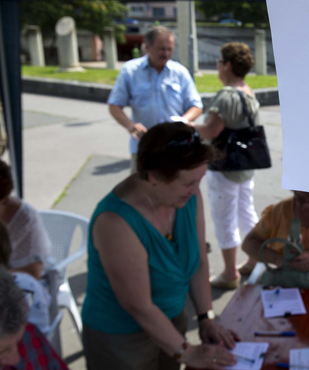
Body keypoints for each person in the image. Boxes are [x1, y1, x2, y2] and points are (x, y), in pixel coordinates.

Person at [81, 123, 238, 370]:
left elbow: (198, 261)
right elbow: (139, 305)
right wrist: (189, 354)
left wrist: (206, 317)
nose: (196, 191)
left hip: (172, 320)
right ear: (154, 177)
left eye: (200, 180)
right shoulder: (115, 222)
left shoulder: (184, 197)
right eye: (189, 183)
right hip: (122, 337)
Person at [191, 42, 260, 289]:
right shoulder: (248, 92)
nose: (218, 67)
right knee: (246, 211)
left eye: (220, 62)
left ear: (228, 64)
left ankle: (230, 273)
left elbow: (211, 130)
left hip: (224, 166)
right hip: (245, 166)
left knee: (224, 218)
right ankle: (253, 260)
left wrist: (187, 126)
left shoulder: (227, 95)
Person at [107, 26, 204, 172]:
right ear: (147, 47)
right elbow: (114, 105)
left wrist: (183, 121)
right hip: (145, 148)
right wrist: (130, 125)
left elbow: (196, 106)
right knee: (141, 192)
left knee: (176, 193)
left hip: (175, 148)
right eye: (161, 49)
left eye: (169, 49)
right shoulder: (130, 71)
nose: (166, 54)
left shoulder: (180, 72)